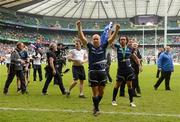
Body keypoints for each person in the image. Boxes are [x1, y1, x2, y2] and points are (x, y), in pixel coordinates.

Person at [76, 20, 120, 116]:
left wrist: (116, 31)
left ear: (100, 40)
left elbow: (111, 40)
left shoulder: (103, 46)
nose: (96, 40)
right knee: (95, 93)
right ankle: (96, 109)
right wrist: (79, 27)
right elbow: (81, 37)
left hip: (102, 72)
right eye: (94, 39)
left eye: (97, 39)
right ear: (92, 40)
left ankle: (95, 106)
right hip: (93, 72)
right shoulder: (89, 47)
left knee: (101, 93)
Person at [111, 36, 141, 107]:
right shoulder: (118, 47)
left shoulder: (130, 49)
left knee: (130, 86)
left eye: (124, 39)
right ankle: (113, 100)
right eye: (121, 40)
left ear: (126, 41)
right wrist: (112, 33)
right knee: (117, 85)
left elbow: (135, 57)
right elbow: (110, 43)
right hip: (121, 70)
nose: (122, 41)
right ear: (119, 41)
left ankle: (131, 102)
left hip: (129, 70)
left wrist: (139, 65)